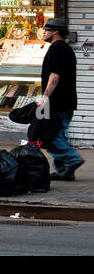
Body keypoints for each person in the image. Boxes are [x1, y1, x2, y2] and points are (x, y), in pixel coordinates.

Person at [38, 19, 84, 181]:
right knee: (59, 134)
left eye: (46, 30)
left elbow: (54, 75)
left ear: (55, 32)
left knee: (50, 136)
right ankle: (64, 171)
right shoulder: (64, 49)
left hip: (57, 100)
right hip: (66, 99)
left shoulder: (58, 49)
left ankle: (72, 159)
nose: (44, 33)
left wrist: (45, 97)